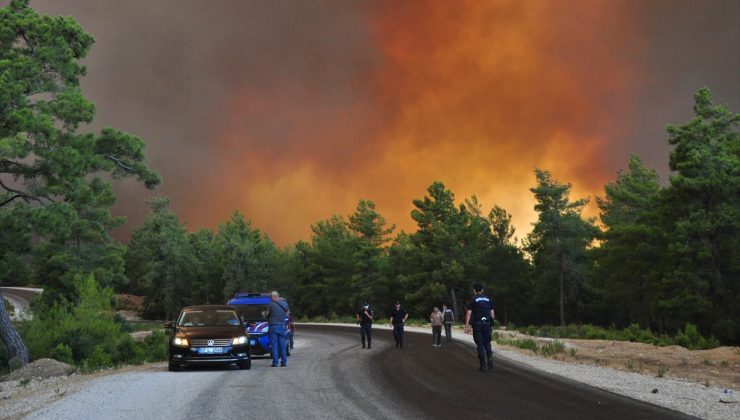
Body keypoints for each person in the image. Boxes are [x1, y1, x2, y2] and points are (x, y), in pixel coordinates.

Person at [464, 283, 495, 371]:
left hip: (477, 323)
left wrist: (467, 325)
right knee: (487, 342)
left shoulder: (473, 299)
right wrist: (491, 325)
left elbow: (469, 313)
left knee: (480, 344)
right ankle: (490, 359)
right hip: (487, 323)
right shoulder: (488, 299)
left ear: (474, 291)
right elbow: (492, 313)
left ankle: (482, 364)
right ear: (482, 290)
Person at [267, 290, 290, 367]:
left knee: (274, 345)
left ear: (274, 297)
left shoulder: (270, 304)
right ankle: (284, 362)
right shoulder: (285, 304)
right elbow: (287, 314)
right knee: (282, 345)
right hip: (282, 327)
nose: (270, 298)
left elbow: (266, 314)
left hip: (273, 327)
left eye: (271, 297)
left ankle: (275, 362)